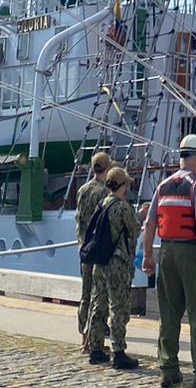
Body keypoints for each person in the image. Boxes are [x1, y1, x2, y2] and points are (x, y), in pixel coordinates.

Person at [142, 133, 196, 388]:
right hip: (192, 252)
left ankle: (168, 370)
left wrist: (149, 255)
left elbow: (150, 223)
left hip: (166, 251)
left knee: (168, 313)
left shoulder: (163, 185)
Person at [84, 166, 143, 370]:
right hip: (116, 263)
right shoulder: (122, 207)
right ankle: (119, 352)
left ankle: (96, 349)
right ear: (123, 185)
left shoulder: (102, 204)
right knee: (118, 306)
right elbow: (134, 230)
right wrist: (141, 214)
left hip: (99, 262)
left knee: (98, 304)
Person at [74, 151, 115, 352]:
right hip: (98, 250)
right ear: (107, 168)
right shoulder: (104, 193)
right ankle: (92, 338)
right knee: (98, 296)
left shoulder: (82, 190)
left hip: (84, 248)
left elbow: (79, 219)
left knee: (85, 294)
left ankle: (83, 336)